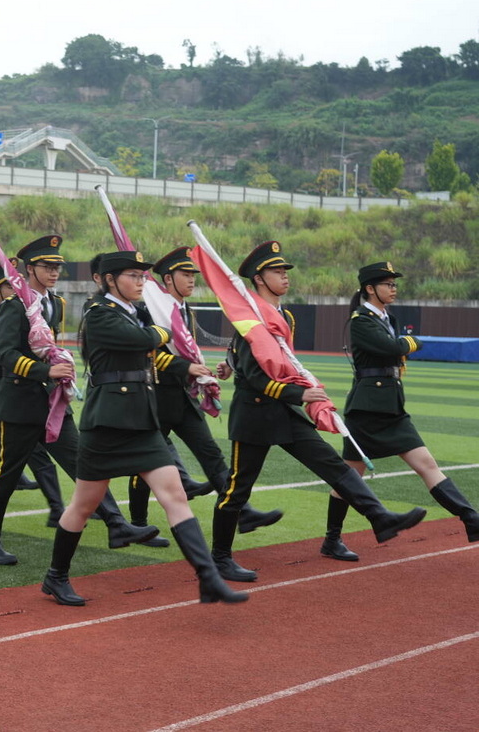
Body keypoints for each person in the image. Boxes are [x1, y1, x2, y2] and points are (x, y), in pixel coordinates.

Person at [211, 241, 427, 582]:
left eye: (285, 271)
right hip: (255, 413)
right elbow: (252, 375)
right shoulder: (250, 317)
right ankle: (220, 558)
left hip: (285, 411)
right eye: (277, 271)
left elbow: (283, 363)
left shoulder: (286, 316)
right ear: (259, 279)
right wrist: (300, 393)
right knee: (238, 488)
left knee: (332, 465)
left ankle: (380, 517)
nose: (285, 276)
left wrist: (301, 390)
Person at [41, 251, 247, 606]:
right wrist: (163, 328)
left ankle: (209, 578)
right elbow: (144, 340)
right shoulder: (99, 313)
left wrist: (163, 326)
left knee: (175, 495)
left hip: (142, 420)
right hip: (107, 423)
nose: (141, 282)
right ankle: (56, 576)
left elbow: (157, 341)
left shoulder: (135, 312)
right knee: (83, 506)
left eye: (142, 276)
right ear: (110, 280)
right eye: (133, 276)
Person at [0, 235, 157, 566]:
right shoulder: (14, 305)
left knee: (84, 464)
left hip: (52, 403)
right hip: (20, 402)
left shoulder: (56, 304)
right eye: (47, 267)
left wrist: (57, 369)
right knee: (7, 475)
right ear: (30, 269)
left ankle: (117, 525)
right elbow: (5, 354)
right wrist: (44, 371)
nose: (54, 272)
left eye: (57, 267)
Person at [321, 261, 479, 560]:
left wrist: (405, 343)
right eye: (388, 284)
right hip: (368, 410)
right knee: (350, 477)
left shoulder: (386, 318)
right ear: (370, 289)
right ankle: (332, 539)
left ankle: (471, 518)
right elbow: (393, 348)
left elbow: (396, 346)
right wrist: (412, 341)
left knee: (426, 463)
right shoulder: (361, 320)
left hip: (391, 407)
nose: (394, 289)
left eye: (394, 284)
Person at [127, 247, 282, 547]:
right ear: (168, 279)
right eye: (185, 275)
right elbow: (148, 353)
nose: (191, 280)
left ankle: (243, 513)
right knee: (144, 461)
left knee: (211, 454)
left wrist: (198, 372)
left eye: (193, 275)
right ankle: (138, 524)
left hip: (184, 398)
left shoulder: (186, 310)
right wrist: (185, 367)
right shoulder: (150, 310)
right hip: (156, 397)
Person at [0, 262, 65, 535]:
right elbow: (1, 354)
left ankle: (57, 508)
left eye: (16, 283)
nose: (15, 288)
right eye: (9, 285)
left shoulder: (36, 310)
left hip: (20, 395)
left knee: (39, 455)